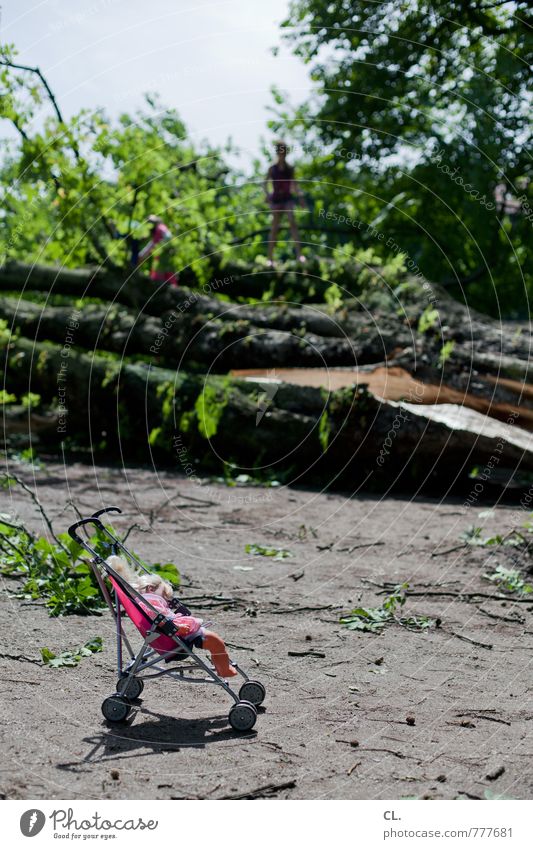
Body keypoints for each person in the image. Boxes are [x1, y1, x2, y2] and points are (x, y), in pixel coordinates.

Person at [108, 556, 236, 678]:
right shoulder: (150, 602)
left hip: (177, 635)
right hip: (178, 636)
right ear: (151, 589)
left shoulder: (147, 602)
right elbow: (156, 618)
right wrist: (176, 627)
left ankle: (221, 666)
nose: (167, 600)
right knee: (216, 642)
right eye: (164, 594)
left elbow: (158, 617)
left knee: (215, 642)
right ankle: (224, 669)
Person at [264, 141, 306, 265]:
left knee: (292, 223)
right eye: (280, 151)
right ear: (277, 152)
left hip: (287, 199)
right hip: (276, 200)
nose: (282, 154)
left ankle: (300, 255)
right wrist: (268, 197)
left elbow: (295, 185)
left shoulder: (290, 169)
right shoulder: (272, 169)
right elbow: (264, 184)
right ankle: (270, 259)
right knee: (274, 227)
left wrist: (301, 197)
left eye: (284, 151)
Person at [137, 215, 179, 287]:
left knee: (159, 282)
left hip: (162, 259)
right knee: (170, 281)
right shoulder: (161, 228)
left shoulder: (160, 229)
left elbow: (153, 245)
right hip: (167, 258)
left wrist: (141, 256)